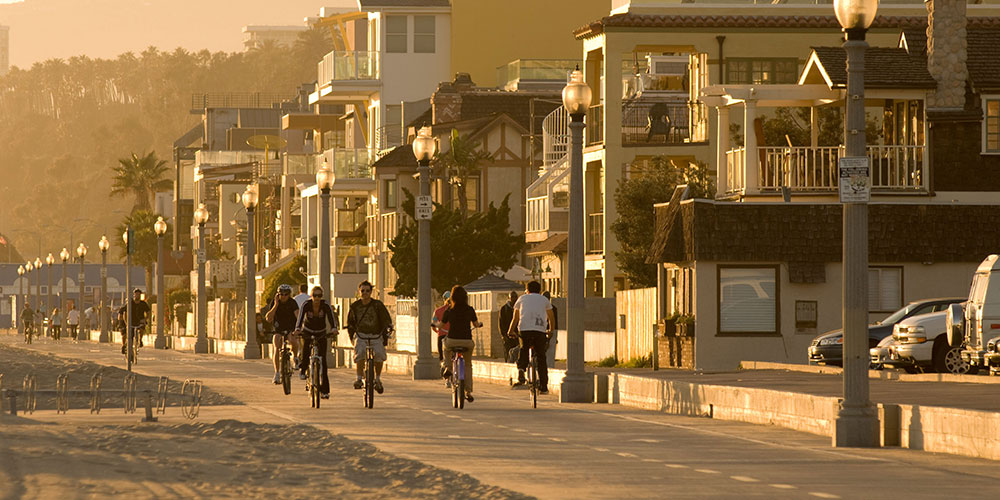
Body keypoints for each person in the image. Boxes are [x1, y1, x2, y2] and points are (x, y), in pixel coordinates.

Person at [507, 281, 555, 394]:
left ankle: (521, 369)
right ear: (539, 290)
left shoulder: (522, 299)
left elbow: (515, 318)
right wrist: (551, 331)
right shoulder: (544, 300)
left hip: (524, 330)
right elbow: (551, 318)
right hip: (540, 331)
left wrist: (510, 331)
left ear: (527, 290)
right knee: (541, 357)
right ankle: (544, 386)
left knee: (524, 348)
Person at [346, 280, 392, 394]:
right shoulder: (355, 306)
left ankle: (377, 379)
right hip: (361, 335)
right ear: (359, 292)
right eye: (363, 291)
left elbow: (386, 319)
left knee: (380, 355)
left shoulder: (377, 305)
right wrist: (352, 336)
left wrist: (388, 327)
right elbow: (350, 322)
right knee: (360, 353)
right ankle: (359, 378)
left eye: (367, 291)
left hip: (376, 335)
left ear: (371, 292)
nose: (365, 293)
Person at [295, 286, 338, 399]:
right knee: (305, 351)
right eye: (315, 295)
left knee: (323, 362)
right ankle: (303, 370)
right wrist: (298, 329)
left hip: (321, 333)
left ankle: (324, 391)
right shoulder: (306, 304)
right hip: (307, 331)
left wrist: (334, 328)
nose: (317, 298)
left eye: (319, 295)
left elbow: (331, 317)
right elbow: (300, 318)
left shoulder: (325, 305)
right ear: (311, 296)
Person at [441, 285, 482, 403]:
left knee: (445, 345)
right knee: (468, 364)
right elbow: (475, 324)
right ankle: (468, 391)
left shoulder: (449, 310)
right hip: (467, 342)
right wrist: (479, 325)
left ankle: (448, 367)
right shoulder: (470, 309)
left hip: (452, 340)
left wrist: (435, 325)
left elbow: (441, 325)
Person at [265, 283, 302, 384]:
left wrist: (299, 327)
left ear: (289, 294)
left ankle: (295, 358)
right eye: (281, 294)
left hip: (290, 327)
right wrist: (276, 305)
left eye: (286, 294)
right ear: (278, 294)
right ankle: (277, 373)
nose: (284, 296)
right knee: (277, 344)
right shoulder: (275, 302)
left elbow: (297, 314)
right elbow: (268, 318)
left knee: (293, 340)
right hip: (278, 328)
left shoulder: (292, 302)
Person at [119, 289, 151, 354]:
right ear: (134, 295)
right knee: (125, 333)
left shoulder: (143, 304)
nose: (137, 295)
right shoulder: (130, 304)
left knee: (141, 328)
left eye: (138, 294)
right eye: (136, 294)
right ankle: (123, 346)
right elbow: (122, 311)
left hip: (139, 321)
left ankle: (140, 340)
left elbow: (148, 312)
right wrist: (125, 321)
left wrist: (145, 319)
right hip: (130, 321)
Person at [431, 291, 452, 361]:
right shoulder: (455, 310)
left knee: (441, 354)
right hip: (453, 335)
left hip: (442, 334)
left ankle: (441, 359)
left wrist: (437, 331)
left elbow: (433, 323)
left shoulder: (437, 311)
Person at [499, 291, 518, 363]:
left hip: (517, 335)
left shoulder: (519, 308)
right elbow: (501, 323)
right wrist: (504, 335)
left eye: (515, 297)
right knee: (508, 354)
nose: (514, 299)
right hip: (508, 336)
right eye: (512, 297)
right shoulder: (504, 309)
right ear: (509, 298)